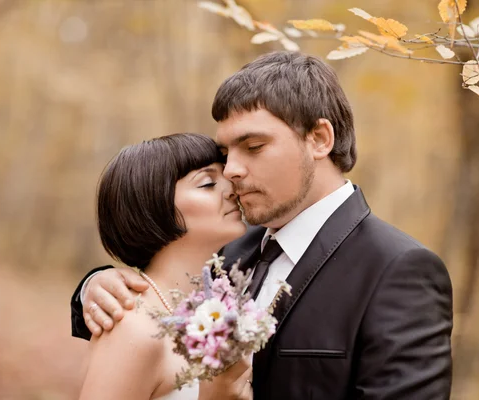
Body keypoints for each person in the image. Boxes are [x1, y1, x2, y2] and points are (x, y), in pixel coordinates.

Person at [71, 51, 454, 400]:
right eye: (225, 154)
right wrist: (97, 284)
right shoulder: (224, 251)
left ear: (319, 139)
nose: (232, 171)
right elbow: (157, 291)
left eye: (253, 147)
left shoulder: (398, 270)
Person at [77, 133, 252, 400]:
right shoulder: (134, 329)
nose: (231, 189)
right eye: (207, 184)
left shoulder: (221, 307)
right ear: (153, 206)